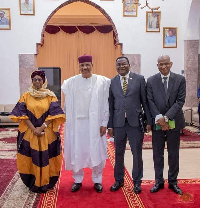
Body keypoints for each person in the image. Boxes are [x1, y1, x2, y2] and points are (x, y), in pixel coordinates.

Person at [61, 55, 110, 193]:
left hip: (95, 125)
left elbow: (106, 104)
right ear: (79, 67)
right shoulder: (71, 82)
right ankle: (77, 179)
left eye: (87, 65)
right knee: (77, 150)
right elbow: (66, 106)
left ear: (92, 65)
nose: (85, 68)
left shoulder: (102, 81)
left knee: (97, 150)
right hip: (77, 125)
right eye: (82, 65)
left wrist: (104, 122)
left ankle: (97, 179)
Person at [10, 70, 66, 193]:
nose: (37, 82)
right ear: (32, 81)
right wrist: (34, 129)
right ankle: (34, 182)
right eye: (34, 79)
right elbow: (22, 115)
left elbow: (54, 114)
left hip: (47, 133)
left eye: (39, 79)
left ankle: (45, 182)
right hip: (30, 133)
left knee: (47, 157)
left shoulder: (50, 95)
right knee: (31, 157)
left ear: (44, 81)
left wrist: (41, 127)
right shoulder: (26, 95)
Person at [108, 56, 152, 194]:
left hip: (135, 123)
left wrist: (149, 121)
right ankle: (118, 180)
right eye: (118, 65)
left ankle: (137, 182)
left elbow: (145, 102)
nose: (121, 66)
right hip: (119, 123)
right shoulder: (113, 82)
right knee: (118, 153)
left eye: (123, 64)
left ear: (129, 65)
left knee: (136, 153)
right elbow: (111, 105)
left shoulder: (139, 79)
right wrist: (110, 125)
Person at [147, 55, 186, 195]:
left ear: (171, 64)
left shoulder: (180, 79)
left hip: (174, 121)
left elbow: (180, 101)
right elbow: (149, 101)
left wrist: (166, 117)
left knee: (173, 153)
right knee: (157, 153)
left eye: (166, 64)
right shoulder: (151, 80)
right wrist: (159, 118)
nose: (163, 66)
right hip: (157, 122)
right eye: (161, 64)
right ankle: (159, 181)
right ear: (157, 65)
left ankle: (173, 182)